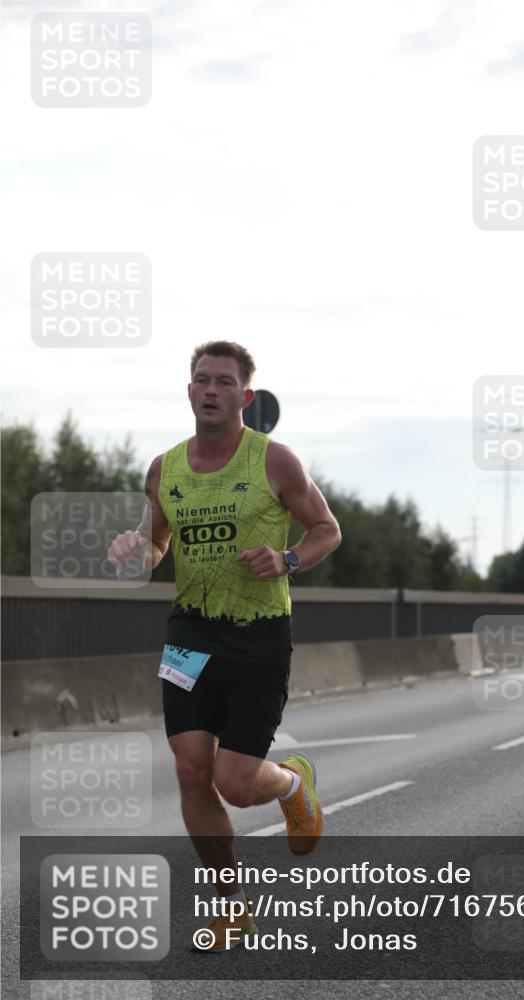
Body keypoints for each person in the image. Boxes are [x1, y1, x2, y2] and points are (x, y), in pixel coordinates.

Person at [108, 341, 342, 949]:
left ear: (246, 396)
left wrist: (287, 558)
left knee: (235, 783)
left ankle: (291, 784)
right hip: (189, 633)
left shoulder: (275, 461)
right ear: (189, 392)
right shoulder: (165, 469)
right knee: (191, 770)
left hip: (258, 635)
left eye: (224, 381)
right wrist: (136, 549)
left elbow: (327, 530)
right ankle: (232, 906)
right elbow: (157, 544)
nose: (211, 390)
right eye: (201, 380)